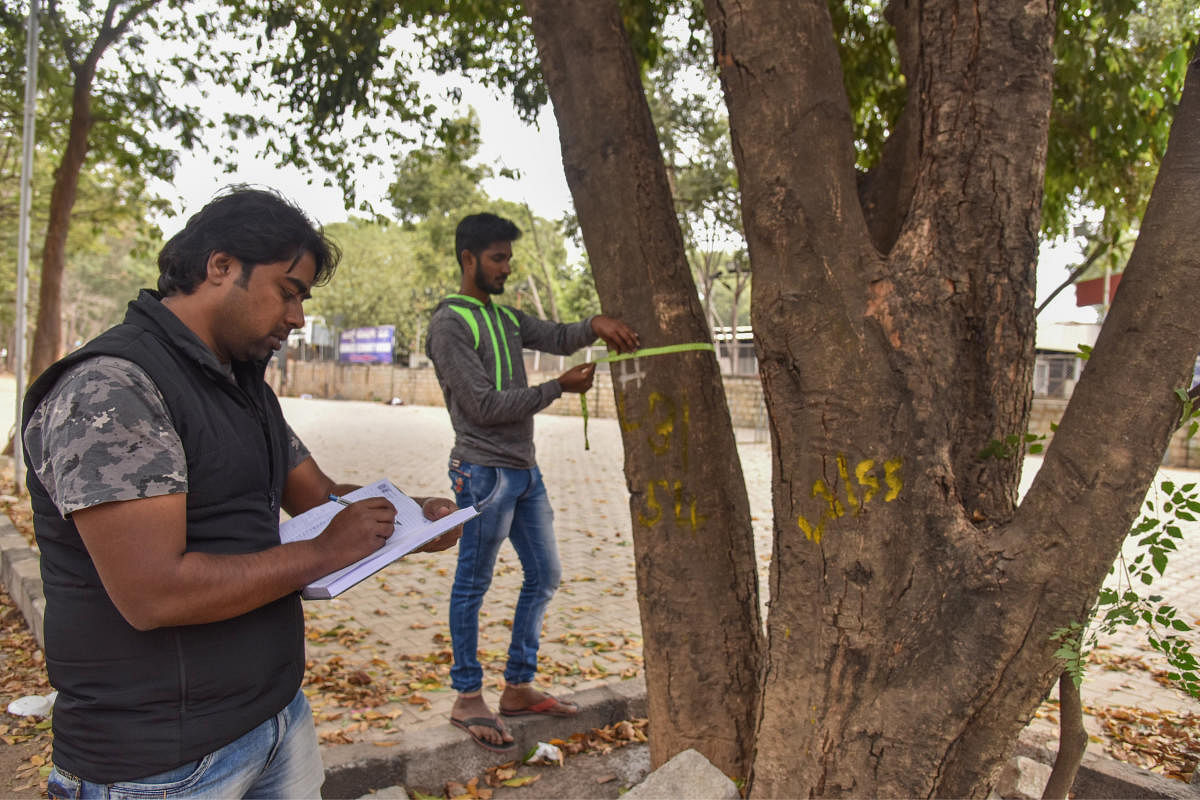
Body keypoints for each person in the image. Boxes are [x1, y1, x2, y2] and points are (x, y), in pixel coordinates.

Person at [22, 186, 462, 798]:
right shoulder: (113, 387)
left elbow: (319, 496)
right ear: (220, 266)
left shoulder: (243, 384)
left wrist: (406, 522)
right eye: (289, 291)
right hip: (162, 763)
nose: (298, 318)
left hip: (275, 719)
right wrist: (325, 552)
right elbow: (154, 592)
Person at [425, 212, 639, 751]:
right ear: (468, 259)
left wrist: (595, 324)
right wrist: (557, 390)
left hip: (524, 473)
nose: (506, 268)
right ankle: (467, 697)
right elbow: (482, 406)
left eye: (509, 258)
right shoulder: (450, 323)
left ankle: (518, 686)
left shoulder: (506, 317)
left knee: (544, 574)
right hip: (482, 474)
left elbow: (560, 335)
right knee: (473, 584)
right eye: (498, 258)